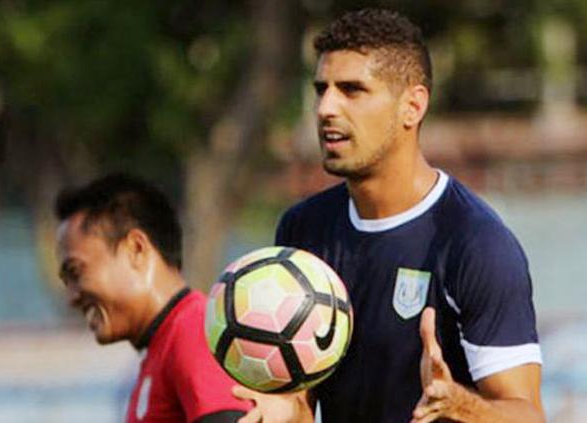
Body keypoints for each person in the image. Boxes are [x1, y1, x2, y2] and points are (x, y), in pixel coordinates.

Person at [233, 8, 544, 423]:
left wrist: (457, 403)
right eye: (321, 89)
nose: (326, 107)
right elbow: (304, 403)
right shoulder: (303, 229)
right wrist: (283, 410)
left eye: (352, 90)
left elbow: (528, 415)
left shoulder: (475, 244)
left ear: (412, 107)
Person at [55, 173, 251, 423]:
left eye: (76, 272)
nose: (71, 297)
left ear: (135, 248)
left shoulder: (195, 331)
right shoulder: (162, 347)